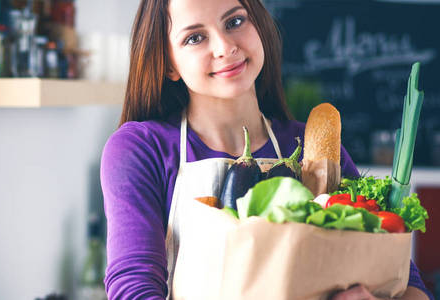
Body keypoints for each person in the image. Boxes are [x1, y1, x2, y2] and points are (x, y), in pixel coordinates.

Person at [100, 0, 434, 299]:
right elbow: (134, 286)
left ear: (259, 25)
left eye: (234, 22)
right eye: (195, 37)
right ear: (169, 63)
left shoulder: (315, 147)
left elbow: (406, 281)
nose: (225, 47)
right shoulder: (141, 149)